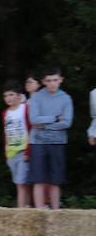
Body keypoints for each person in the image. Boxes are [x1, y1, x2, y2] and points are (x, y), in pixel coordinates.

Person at [27, 67, 73, 209]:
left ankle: (55, 213)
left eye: (55, 80)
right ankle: (39, 212)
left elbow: (67, 122)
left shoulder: (66, 98)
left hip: (57, 142)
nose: (52, 83)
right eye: (49, 80)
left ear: (61, 80)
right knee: (38, 180)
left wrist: (45, 124)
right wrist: (54, 118)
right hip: (38, 143)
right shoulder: (37, 97)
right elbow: (34, 120)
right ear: (43, 82)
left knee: (55, 180)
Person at [1, 83, 32, 208]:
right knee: (20, 183)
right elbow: (7, 132)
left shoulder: (25, 109)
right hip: (11, 153)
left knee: (21, 183)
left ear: (19, 96)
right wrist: (6, 152)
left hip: (23, 151)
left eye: (11, 94)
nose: (8, 98)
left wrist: (28, 151)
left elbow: (30, 130)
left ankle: (20, 211)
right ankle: (26, 206)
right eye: (5, 96)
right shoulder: (5, 113)